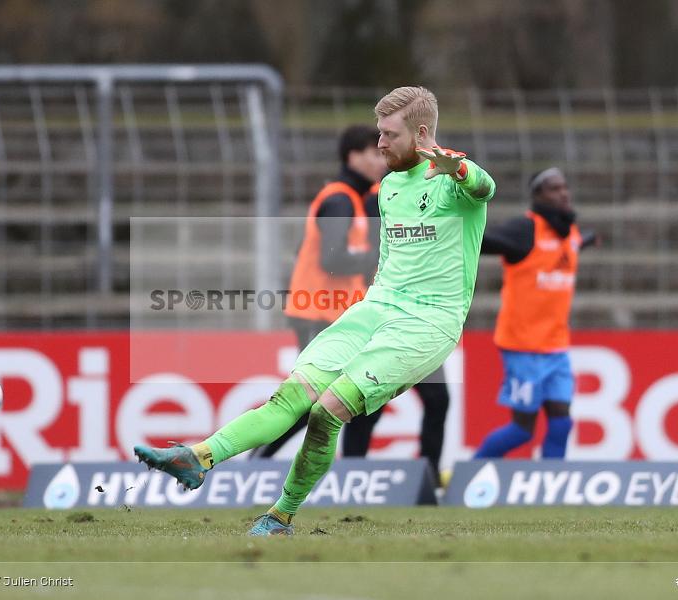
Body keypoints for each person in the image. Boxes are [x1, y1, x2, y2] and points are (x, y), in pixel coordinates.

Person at [135, 86, 495, 536]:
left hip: (428, 321)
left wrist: (456, 167)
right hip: (377, 306)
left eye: (388, 134)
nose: (379, 144)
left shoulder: (452, 178)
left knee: (328, 411)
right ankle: (198, 458)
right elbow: (390, 257)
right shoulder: (387, 187)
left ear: (421, 134)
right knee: (291, 397)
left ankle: (281, 515)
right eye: (378, 135)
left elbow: (484, 186)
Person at [252, 125, 452, 480]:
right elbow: (332, 260)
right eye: (373, 153)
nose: (381, 159)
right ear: (352, 156)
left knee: (380, 399)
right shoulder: (339, 199)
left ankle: (398, 477)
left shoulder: (366, 197)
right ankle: (255, 465)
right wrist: (381, 258)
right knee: (314, 401)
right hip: (319, 313)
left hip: (349, 311)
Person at [473, 167, 597, 460]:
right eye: (554, 188)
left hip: (556, 348)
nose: (563, 193)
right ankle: (470, 474)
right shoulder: (525, 230)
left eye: (564, 187)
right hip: (523, 348)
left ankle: (551, 491)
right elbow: (486, 240)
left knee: (562, 422)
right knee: (522, 430)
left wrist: (591, 239)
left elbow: (575, 245)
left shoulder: (570, 233)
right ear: (538, 195)